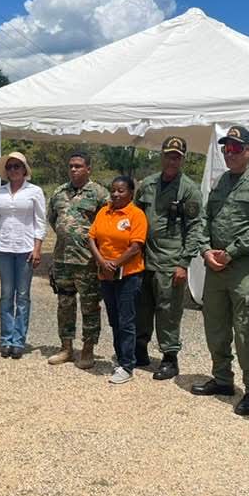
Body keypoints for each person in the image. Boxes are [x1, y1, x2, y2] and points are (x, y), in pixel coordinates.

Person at [192, 125, 249, 415]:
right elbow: (204, 219)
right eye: (225, 148)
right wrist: (206, 250)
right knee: (215, 327)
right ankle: (222, 379)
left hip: (245, 270)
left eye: (234, 148)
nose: (228, 153)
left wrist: (230, 253)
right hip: (216, 268)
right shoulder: (222, 183)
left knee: (246, 333)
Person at [133, 136, 203, 381]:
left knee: (168, 310)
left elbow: (195, 228)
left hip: (171, 259)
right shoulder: (148, 184)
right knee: (142, 306)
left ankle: (169, 357)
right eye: (168, 155)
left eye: (177, 156)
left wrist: (184, 263)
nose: (172, 160)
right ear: (162, 156)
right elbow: (135, 215)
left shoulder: (189, 189)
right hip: (144, 256)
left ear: (183, 159)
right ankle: (139, 350)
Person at [46, 151, 109, 369]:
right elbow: (53, 220)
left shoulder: (100, 193)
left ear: (88, 169)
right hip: (63, 259)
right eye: (71, 166)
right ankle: (66, 348)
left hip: (88, 261)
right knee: (65, 304)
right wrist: (68, 236)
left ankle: (88, 350)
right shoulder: (59, 192)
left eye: (79, 166)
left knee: (90, 307)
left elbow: (108, 224)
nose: (74, 169)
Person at [0, 151, 46, 359]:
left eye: (17, 166)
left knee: (22, 296)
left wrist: (38, 248)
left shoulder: (34, 191)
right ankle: (6, 339)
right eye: (9, 167)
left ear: (24, 169)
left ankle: (19, 340)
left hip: (25, 249)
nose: (13, 170)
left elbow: (40, 221)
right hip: (4, 249)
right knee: (5, 295)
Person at [88, 176, 148, 384]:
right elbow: (91, 238)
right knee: (114, 320)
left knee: (126, 320)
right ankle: (120, 359)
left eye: (121, 191)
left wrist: (115, 263)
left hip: (128, 275)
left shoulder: (136, 214)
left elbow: (136, 246)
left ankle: (128, 365)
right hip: (106, 273)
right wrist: (102, 262)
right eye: (113, 190)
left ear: (131, 193)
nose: (115, 194)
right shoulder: (104, 211)